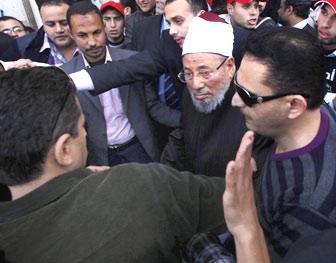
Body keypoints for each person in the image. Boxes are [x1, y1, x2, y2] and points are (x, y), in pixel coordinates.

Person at [0, 66, 225, 263]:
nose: (85, 134)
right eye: (82, 127)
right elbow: (233, 198)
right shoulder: (139, 185)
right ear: (64, 150)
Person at [230, 26, 336, 259]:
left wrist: (242, 226)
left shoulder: (313, 213)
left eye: (247, 96)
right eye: (237, 86)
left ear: (295, 106)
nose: (235, 101)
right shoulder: (319, 111)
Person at [161, 17, 271, 177]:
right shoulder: (189, 93)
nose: (196, 84)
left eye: (205, 73)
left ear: (229, 67)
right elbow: (181, 139)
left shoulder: (255, 106)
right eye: (188, 73)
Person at [62, 1, 167, 166]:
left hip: (140, 148)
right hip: (100, 158)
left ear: (104, 26)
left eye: (96, 32)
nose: (92, 42)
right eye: (82, 35)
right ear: (70, 33)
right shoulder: (66, 76)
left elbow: (153, 106)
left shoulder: (131, 60)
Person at [17, 0, 78, 65]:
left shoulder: (90, 43)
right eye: (50, 24)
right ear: (43, 25)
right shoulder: (29, 52)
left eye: (64, 23)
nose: (59, 30)